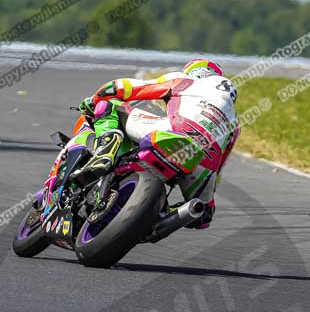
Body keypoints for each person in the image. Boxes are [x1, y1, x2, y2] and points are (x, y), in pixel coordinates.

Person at [62, 59, 240, 229]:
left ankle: (104, 153)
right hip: (203, 164)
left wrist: (94, 99)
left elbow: (124, 87)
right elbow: (219, 168)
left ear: (195, 72)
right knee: (202, 216)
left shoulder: (185, 80)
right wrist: (208, 199)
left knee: (108, 105)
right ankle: (159, 222)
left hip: (173, 133)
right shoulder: (235, 123)